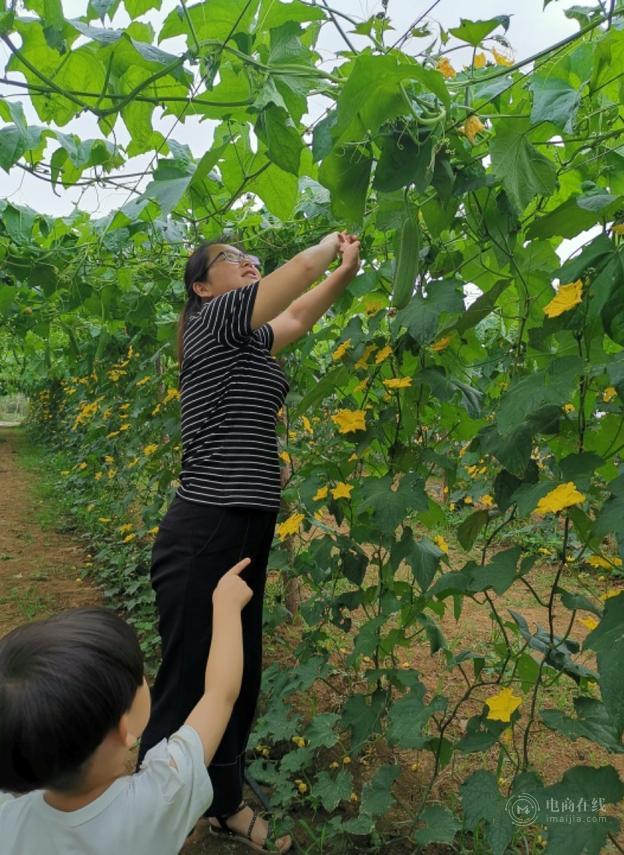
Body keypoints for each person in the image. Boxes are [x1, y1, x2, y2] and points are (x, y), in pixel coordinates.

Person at [137, 230, 361, 851]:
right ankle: (143, 818)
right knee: (188, 678)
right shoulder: (210, 323)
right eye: (234, 261)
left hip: (245, 526)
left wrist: (342, 274)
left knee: (240, 672)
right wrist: (324, 247)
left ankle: (223, 802)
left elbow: (295, 314)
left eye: (250, 259)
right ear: (202, 287)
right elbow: (285, 286)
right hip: (206, 527)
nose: (248, 264)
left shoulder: (247, 340)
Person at [0, 557, 254, 854]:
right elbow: (219, 694)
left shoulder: (10, 818)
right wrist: (226, 606)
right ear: (124, 728)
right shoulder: (158, 800)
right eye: (138, 675)